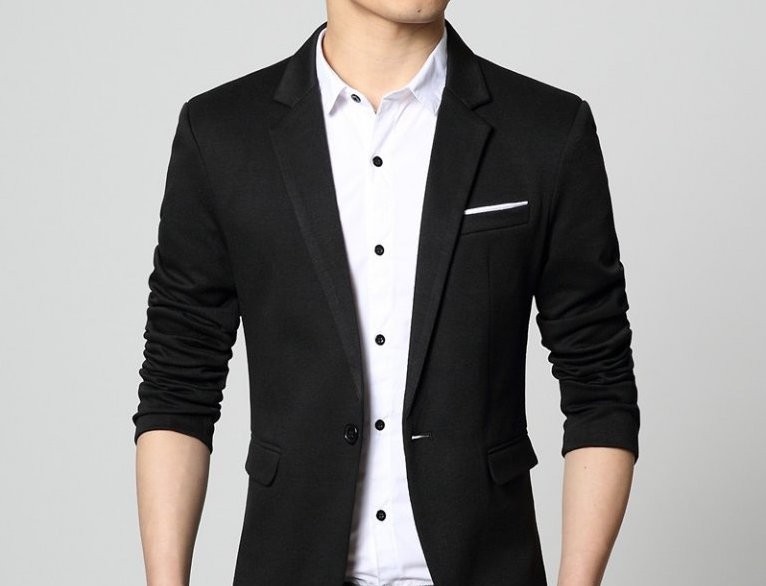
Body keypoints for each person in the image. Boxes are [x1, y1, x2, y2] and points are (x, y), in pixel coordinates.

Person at [132, 1, 640, 585]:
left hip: (485, 564)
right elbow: (179, 384)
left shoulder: (546, 130)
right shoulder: (221, 134)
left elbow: (599, 381)